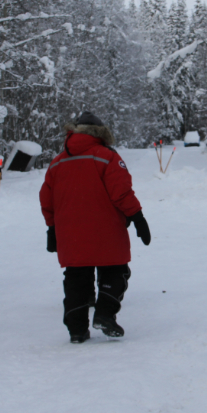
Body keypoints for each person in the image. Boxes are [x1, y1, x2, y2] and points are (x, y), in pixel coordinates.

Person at [39, 112, 151, 343]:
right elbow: (121, 192)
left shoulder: (57, 161)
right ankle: (104, 315)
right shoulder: (107, 156)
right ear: (100, 132)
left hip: (70, 232)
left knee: (76, 278)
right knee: (115, 270)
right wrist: (137, 217)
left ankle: (77, 330)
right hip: (106, 228)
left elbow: (46, 199)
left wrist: (52, 228)